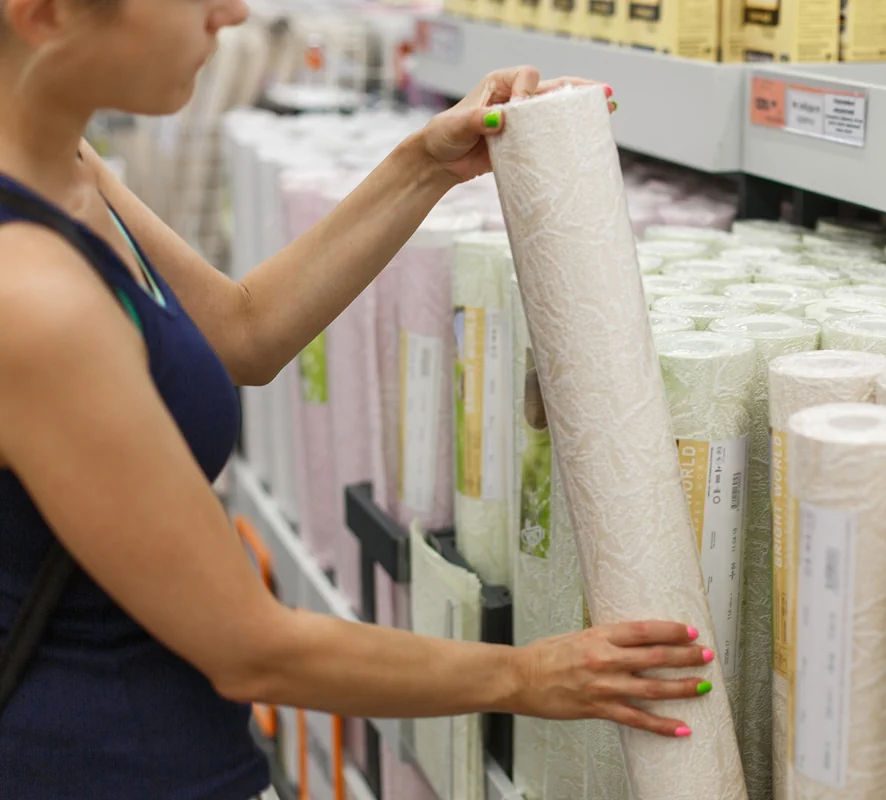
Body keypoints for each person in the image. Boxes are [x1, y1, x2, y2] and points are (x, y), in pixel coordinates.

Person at [0, 1, 714, 798]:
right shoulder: (27, 298)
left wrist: (427, 164)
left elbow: (243, 330)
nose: (233, 13)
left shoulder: (66, 168)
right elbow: (249, 646)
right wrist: (531, 675)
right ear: (44, 14)